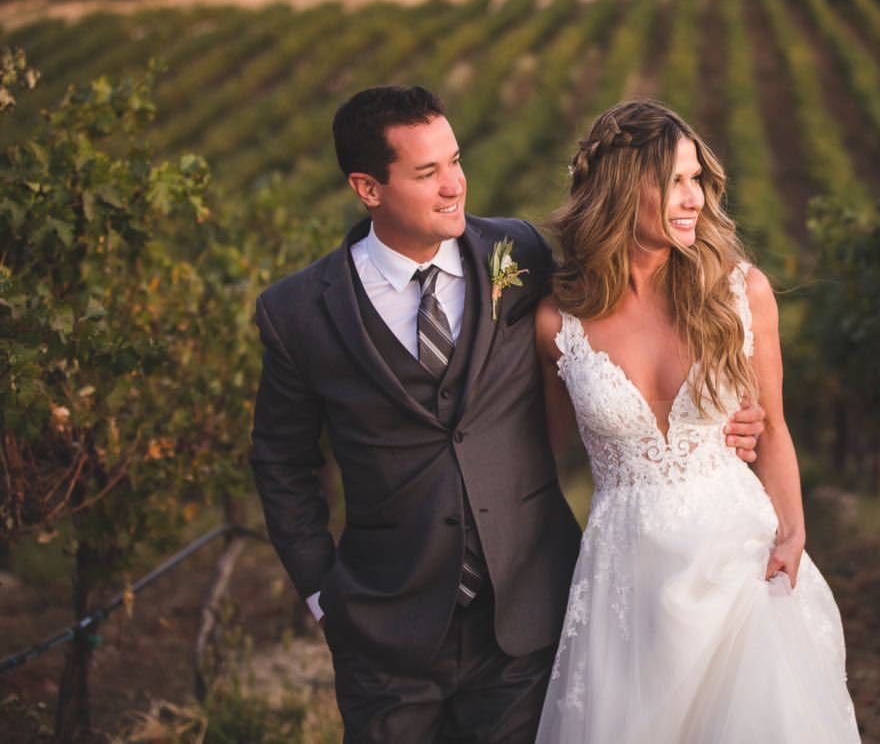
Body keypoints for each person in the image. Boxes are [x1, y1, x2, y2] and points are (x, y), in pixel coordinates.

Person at [249, 85, 766, 743]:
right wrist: (325, 597)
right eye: (427, 172)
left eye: (456, 161)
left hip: (527, 617)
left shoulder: (519, 255)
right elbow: (282, 463)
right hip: (386, 631)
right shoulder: (298, 312)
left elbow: (622, 321)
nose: (453, 186)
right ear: (367, 187)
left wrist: (716, 408)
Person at [533, 100, 860, 743]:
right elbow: (539, 459)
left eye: (698, 181)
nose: (695, 200)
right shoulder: (556, 323)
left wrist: (793, 533)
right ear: (626, 189)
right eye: (675, 181)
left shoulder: (740, 293)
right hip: (623, 580)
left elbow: (773, 429)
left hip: (737, 559)